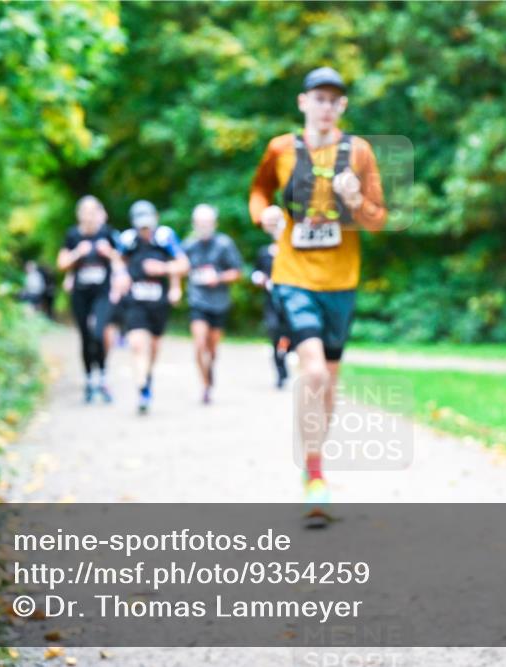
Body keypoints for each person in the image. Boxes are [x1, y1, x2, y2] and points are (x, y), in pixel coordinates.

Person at [249, 66, 387, 527]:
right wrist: (265, 213)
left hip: (341, 280)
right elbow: (258, 191)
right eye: (318, 98)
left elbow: (377, 221)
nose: (325, 106)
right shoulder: (281, 149)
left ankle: (315, 461)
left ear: (342, 106)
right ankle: (314, 475)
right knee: (312, 371)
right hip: (292, 274)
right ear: (302, 102)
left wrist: (354, 201)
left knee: (328, 378)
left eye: (334, 99)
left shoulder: (359, 152)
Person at [56, 195, 128, 404]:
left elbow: (122, 261)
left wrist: (110, 255)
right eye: (85, 212)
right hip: (81, 294)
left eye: (92, 211)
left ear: (98, 213)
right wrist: (78, 253)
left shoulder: (107, 234)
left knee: (99, 333)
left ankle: (103, 376)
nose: (88, 216)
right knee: (86, 338)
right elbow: (62, 264)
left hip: (102, 293)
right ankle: (89, 381)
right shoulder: (72, 236)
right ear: (79, 214)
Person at [119, 200, 189, 414]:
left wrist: (164, 270)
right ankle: (142, 389)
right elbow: (118, 261)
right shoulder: (128, 240)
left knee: (155, 347)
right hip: (135, 300)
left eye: (148, 226)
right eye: (141, 227)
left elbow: (183, 265)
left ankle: (147, 379)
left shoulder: (165, 238)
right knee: (137, 344)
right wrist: (120, 276)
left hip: (158, 302)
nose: (145, 231)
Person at [182, 203, 244, 405]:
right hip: (197, 301)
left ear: (214, 223)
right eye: (200, 222)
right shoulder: (188, 245)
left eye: (207, 222)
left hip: (219, 303)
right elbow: (179, 267)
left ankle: (210, 371)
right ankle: (205, 385)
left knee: (212, 348)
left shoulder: (224, 244)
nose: (204, 225)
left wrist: (218, 277)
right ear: (194, 223)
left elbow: (237, 272)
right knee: (199, 344)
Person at [251, 223, 291, 389]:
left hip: (291, 301)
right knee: (275, 333)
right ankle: (281, 371)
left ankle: (285, 356)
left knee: (289, 336)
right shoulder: (265, 253)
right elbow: (255, 272)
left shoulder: (292, 253)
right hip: (271, 301)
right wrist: (259, 279)